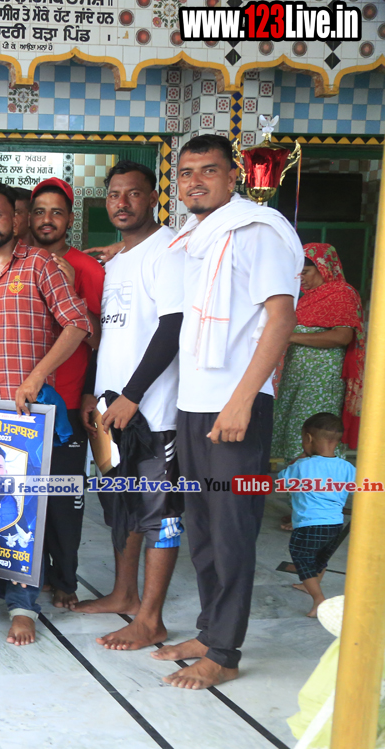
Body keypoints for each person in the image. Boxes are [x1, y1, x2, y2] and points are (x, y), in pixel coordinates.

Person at [154, 134, 302, 690]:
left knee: (232, 530)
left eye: (208, 170)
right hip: (195, 404)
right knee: (202, 529)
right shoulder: (199, 237)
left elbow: (281, 317)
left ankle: (225, 652)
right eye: (186, 172)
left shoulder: (256, 231)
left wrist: (242, 400)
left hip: (236, 405)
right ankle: (208, 631)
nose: (195, 181)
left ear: (233, 177)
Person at [0, 180, 91, 647]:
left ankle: (23, 606)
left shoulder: (40, 265)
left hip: (27, 414)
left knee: (26, 509)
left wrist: (36, 376)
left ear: (17, 219)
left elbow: (77, 324)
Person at [73, 160, 184, 651]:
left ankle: (151, 619)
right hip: (109, 410)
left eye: (133, 193)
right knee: (119, 504)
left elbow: (172, 328)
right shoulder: (115, 260)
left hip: (153, 410)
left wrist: (133, 395)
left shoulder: (169, 251)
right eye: (114, 194)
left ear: (153, 198)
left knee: (159, 511)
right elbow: (107, 338)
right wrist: (96, 395)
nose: (122, 202)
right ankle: (124, 593)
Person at [27, 177, 105, 608]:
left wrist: (70, 287)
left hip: (69, 402)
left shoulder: (88, 269)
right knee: (22, 495)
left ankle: (65, 580)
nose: (47, 219)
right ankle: (27, 575)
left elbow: (99, 339)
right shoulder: (20, 263)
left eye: (56, 212)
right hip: (23, 403)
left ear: (70, 219)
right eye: (40, 211)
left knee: (63, 498)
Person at [271, 243, 364, 465]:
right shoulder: (306, 298)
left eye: (305, 272)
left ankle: (321, 481)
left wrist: (291, 337)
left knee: (317, 431)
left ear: (324, 268)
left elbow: (342, 336)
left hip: (320, 381)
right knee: (295, 430)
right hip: (296, 378)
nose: (300, 278)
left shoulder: (341, 294)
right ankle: (300, 480)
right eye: (298, 273)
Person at [277, 413, 355, 617]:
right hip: (336, 524)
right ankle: (310, 584)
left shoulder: (302, 466)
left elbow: (282, 482)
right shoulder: (347, 467)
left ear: (308, 438)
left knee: (302, 557)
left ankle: (319, 599)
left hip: (309, 524)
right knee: (321, 557)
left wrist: (295, 461)